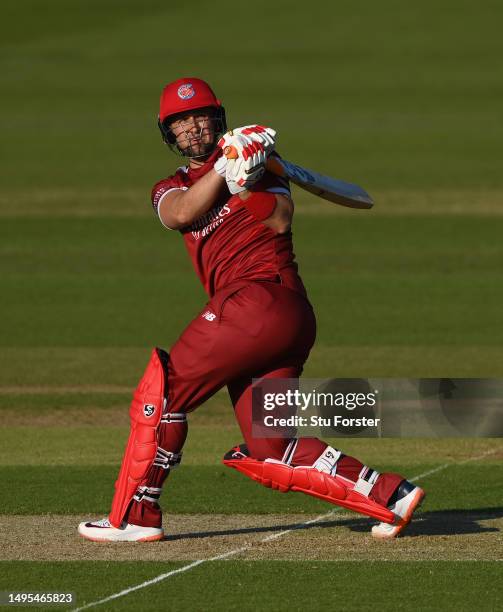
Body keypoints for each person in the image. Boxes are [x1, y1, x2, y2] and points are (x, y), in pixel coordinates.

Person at [78, 77, 424, 542]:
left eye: (199, 117)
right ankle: (390, 495)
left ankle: (133, 517)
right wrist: (226, 167)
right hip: (276, 319)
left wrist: (246, 180)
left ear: (217, 119)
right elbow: (180, 214)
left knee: (161, 397)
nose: (192, 128)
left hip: (258, 301)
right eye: (181, 123)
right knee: (271, 446)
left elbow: (280, 221)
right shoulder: (170, 186)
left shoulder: (261, 170)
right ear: (169, 133)